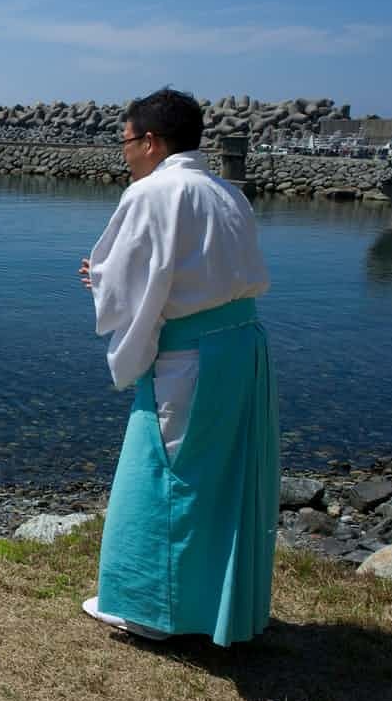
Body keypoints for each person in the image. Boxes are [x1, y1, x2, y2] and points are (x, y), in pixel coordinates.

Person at [78, 89, 277, 646]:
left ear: (150, 141)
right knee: (227, 478)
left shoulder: (153, 192)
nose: (123, 153)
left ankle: (148, 609)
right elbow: (194, 271)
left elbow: (136, 284)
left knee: (164, 476)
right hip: (243, 346)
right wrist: (111, 278)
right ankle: (217, 604)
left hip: (191, 355)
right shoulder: (225, 192)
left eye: (125, 140)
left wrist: (102, 280)